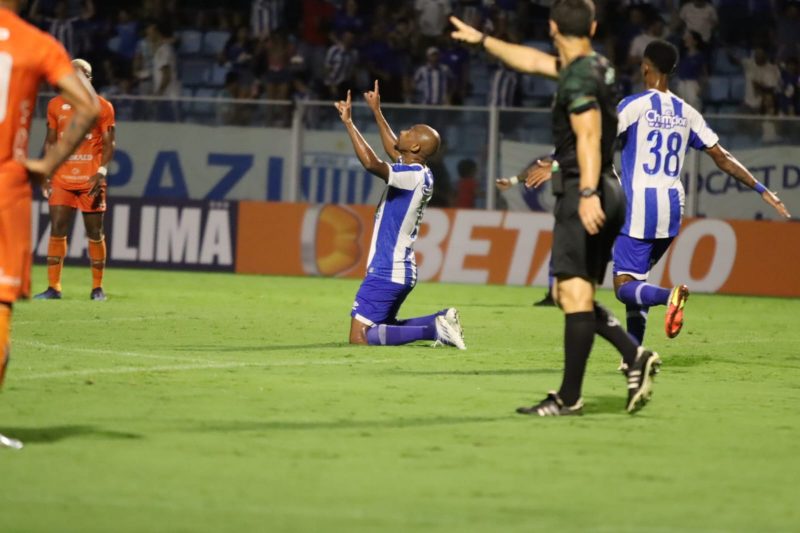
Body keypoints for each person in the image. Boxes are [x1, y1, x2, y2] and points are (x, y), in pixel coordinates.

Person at [451, 0, 660, 416]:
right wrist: (485, 40)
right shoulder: (595, 66)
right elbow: (532, 61)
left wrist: (584, 194)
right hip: (607, 187)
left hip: (585, 189)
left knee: (572, 293)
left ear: (551, 27)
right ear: (593, 27)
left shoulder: (579, 77)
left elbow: (587, 134)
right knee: (568, 292)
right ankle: (629, 358)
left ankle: (572, 396)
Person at [613, 40, 791, 344]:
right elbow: (722, 157)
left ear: (645, 66)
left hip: (640, 205)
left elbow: (596, 136)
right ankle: (634, 354)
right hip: (671, 208)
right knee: (638, 278)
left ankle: (669, 296)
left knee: (623, 284)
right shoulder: (687, 113)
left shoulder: (633, 105)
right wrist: (760, 188)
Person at [0, 0, 100, 448]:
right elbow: (87, 106)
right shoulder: (34, 43)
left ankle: (89, 284)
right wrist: (45, 165)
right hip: (7, 185)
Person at [335, 80, 466, 350]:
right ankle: (437, 322)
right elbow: (394, 149)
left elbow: (372, 163)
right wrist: (376, 111)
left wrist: (349, 123)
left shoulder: (411, 176)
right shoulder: (418, 172)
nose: (404, 131)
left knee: (359, 337)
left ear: (416, 148)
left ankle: (435, 330)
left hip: (387, 269)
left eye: (410, 132)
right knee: (383, 327)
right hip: (399, 269)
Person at [35, 59, 114, 301]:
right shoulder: (55, 105)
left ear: (90, 78)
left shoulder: (103, 107)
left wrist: (101, 171)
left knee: (95, 231)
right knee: (57, 229)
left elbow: (110, 143)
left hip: (90, 179)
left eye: (83, 74)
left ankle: (97, 288)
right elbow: (50, 140)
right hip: (62, 178)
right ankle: (54, 287)